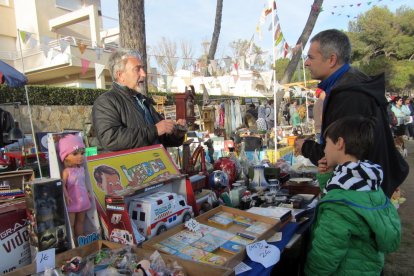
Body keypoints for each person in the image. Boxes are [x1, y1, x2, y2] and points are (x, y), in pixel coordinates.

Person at [295, 29, 408, 197]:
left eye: (311, 57)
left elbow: (343, 153)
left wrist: (306, 147)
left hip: (359, 193)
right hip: (368, 187)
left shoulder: (349, 94)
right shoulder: (351, 83)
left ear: (331, 59)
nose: (306, 63)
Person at [304, 116, 401, 275]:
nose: (324, 149)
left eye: (327, 143)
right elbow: (344, 196)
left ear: (339, 143)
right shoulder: (367, 181)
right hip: (368, 267)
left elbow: (324, 256)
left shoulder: (339, 206)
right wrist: (326, 177)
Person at [92, 49, 186, 152]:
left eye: (142, 69)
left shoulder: (143, 101)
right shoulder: (106, 102)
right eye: (137, 69)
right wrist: (154, 130)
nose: (144, 74)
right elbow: (111, 139)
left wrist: (176, 134)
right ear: (120, 75)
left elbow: (160, 137)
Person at [58, 134, 91, 242]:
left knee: (81, 220)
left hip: (83, 198)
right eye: (75, 154)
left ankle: (80, 239)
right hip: (72, 199)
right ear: (65, 156)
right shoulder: (66, 171)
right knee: (71, 222)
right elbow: (62, 184)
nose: (80, 156)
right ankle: (72, 240)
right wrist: (66, 195)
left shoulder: (81, 169)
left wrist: (87, 192)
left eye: (82, 153)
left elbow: (83, 182)